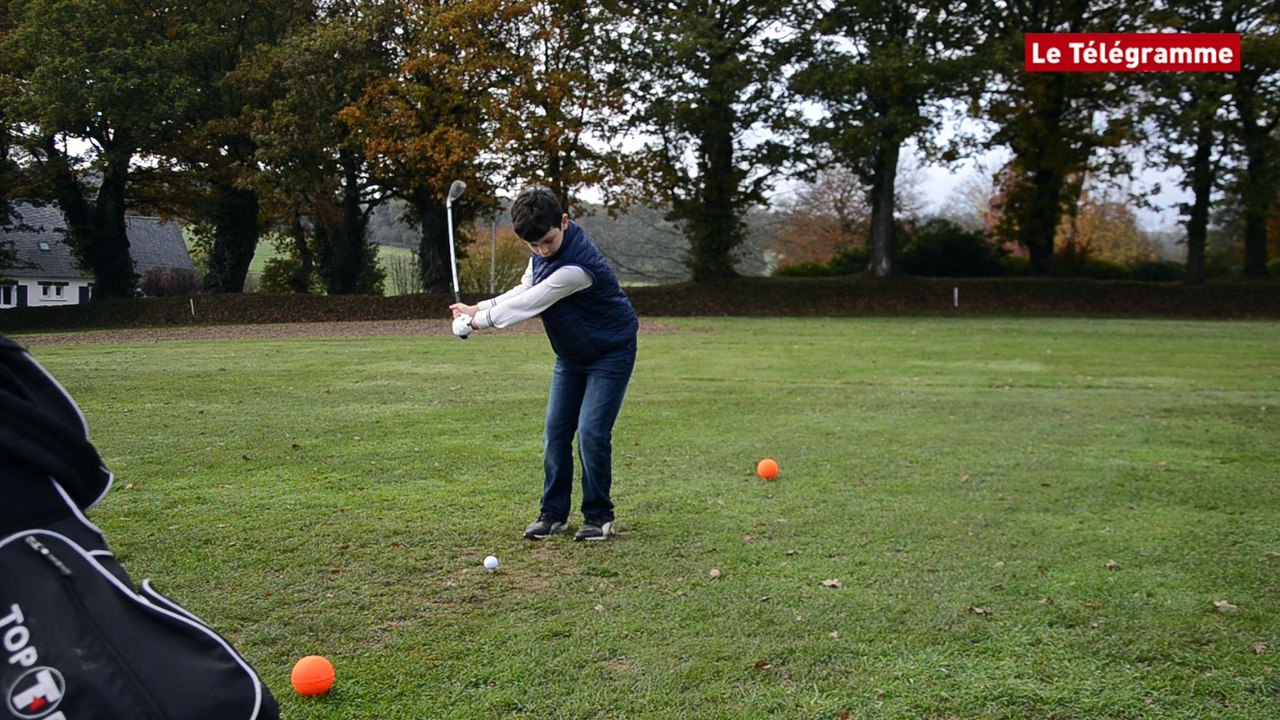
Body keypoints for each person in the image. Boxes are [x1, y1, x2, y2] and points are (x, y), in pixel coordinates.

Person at [450, 186, 639, 541]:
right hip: (571, 354)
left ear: (564, 222)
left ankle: (599, 516)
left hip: (611, 351)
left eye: (547, 242)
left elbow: (532, 302)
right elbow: (525, 286)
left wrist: (478, 323)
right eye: (533, 246)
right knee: (555, 433)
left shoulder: (576, 267)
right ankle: (553, 513)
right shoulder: (542, 251)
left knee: (592, 432)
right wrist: (479, 307)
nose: (541, 251)